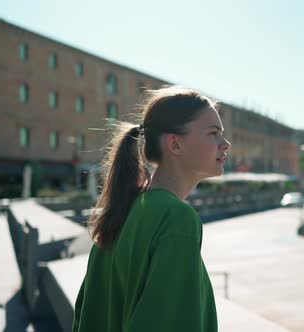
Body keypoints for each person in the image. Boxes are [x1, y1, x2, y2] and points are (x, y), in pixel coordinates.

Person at [72, 86, 230, 332]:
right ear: (175, 144)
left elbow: (85, 313)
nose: (225, 143)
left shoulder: (121, 212)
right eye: (213, 133)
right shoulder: (176, 218)